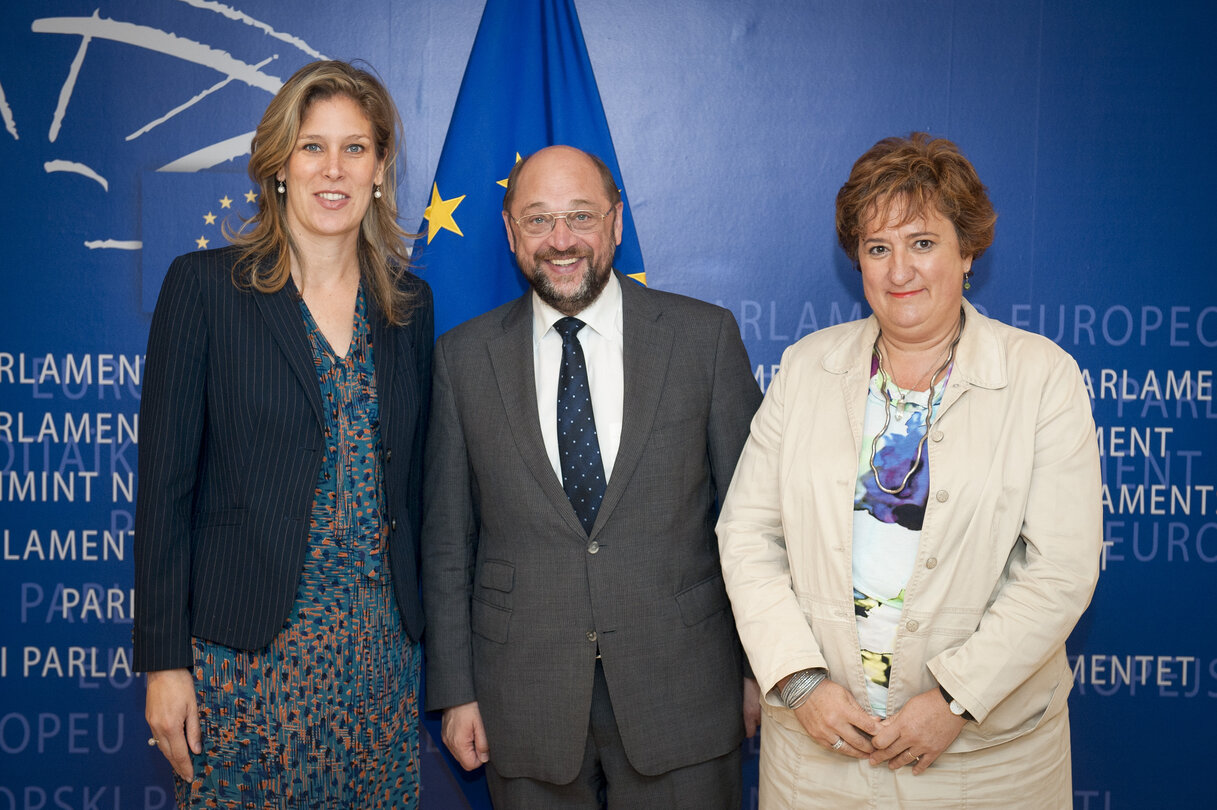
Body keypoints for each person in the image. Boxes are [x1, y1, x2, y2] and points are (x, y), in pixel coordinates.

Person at [716, 133, 1102, 808]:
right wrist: (800, 683)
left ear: (967, 251)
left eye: (921, 243)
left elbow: (1061, 568)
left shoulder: (1042, 377)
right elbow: (747, 536)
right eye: (877, 248)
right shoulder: (806, 368)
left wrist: (956, 699)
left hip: (986, 758)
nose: (899, 272)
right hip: (821, 748)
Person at [422, 145, 762, 808]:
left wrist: (760, 672)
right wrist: (455, 690)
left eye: (580, 216)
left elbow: (752, 522)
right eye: (538, 219)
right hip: (520, 699)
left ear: (615, 221)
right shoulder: (462, 359)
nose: (560, 241)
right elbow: (446, 544)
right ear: (509, 230)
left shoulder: (703, 339)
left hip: (686, 693)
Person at [134, 60, 432, 808]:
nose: (333, 170)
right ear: (277, 166)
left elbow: (422, 489)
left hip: (379, 660)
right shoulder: (204, 288)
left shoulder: (410, 306)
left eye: (354, 148)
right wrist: (165, 665)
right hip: (245, 664)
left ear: (380, 167)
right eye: (311, 147)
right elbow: (164, 491)